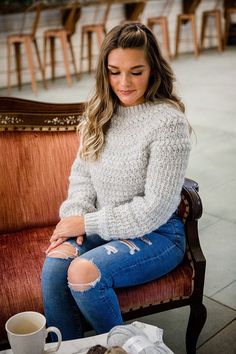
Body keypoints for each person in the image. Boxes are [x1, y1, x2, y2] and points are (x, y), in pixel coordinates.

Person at [41, 22, 191, 341]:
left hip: (159, 233)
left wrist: (86, 221)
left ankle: (127, 348)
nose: (124, 83)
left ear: (153, 70)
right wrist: (75, 217)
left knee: (82, 272)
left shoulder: (168, 123)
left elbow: (155, 208)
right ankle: (69, 350)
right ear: (105, 72)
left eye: (136, 71)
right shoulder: (99, 112)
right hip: (107, 225)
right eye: (114, 71)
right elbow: (82, 175)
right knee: (55, 263)